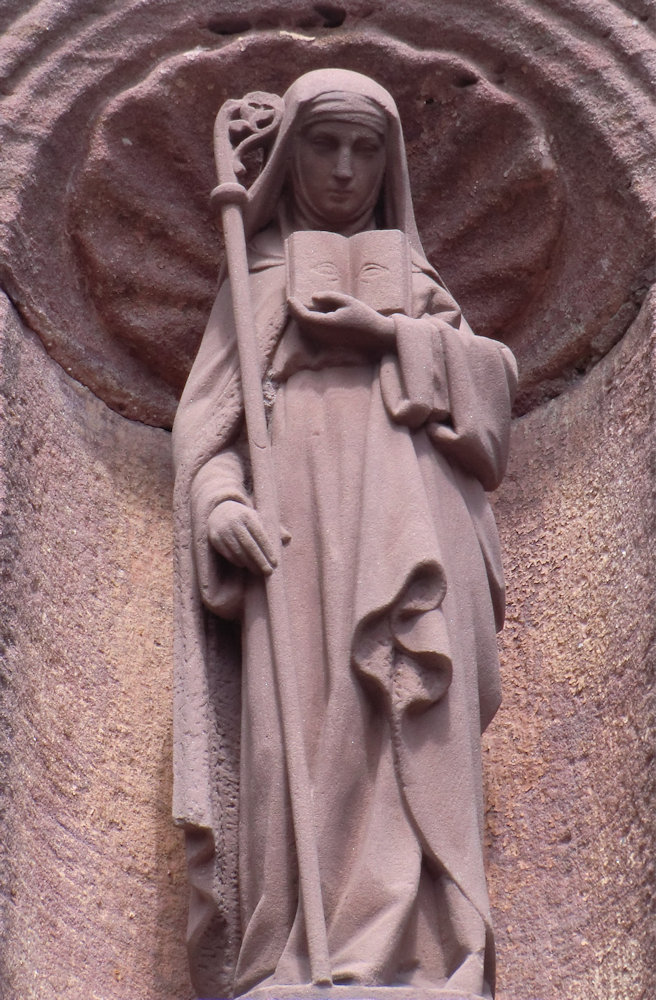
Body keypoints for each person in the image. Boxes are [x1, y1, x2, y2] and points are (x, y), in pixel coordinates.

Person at [172, 69, 517, 1000]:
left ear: (389, 161)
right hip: (298, 539)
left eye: (366, 150)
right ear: (289, 158)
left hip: (411, 517)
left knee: (408, 701)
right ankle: (294, 949)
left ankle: (420, 948)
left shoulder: (415, 280)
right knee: (297, 742)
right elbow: (208, 431)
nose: (343, 170)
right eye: (323, 146)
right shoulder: (258, 282)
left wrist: (387, 335)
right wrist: (221, 505)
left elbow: (491, 401)